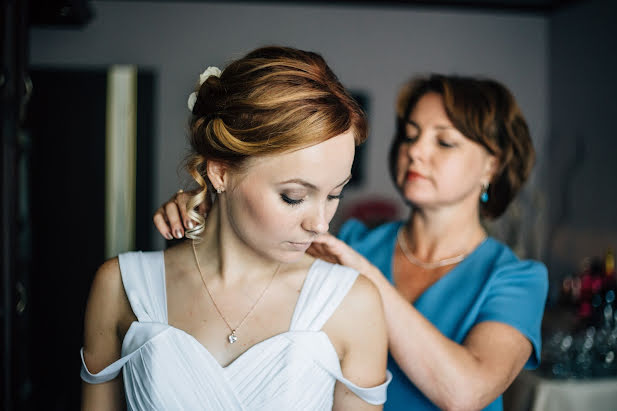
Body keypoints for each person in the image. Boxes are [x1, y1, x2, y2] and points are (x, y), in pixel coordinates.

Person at [155, 73, 548, 410]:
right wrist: (209, 205)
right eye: (410, 135)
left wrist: (364, 275)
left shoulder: (517, 279)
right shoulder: (352, 240)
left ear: (492, 164)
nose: (415, 151)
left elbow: (466, 393)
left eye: (443, 142)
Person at [81, 46, 391, 410]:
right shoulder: (119, 286)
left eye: (334, 194)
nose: (320, 224)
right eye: (293, 197)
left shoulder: (353, 304)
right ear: (220, 172)